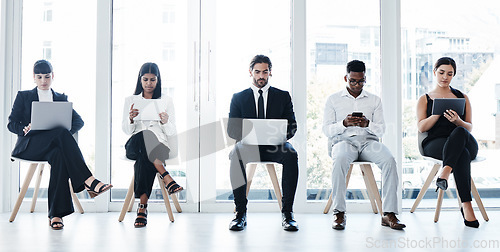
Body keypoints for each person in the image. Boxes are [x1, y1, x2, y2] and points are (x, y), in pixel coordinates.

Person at [7, 60, 112, 230]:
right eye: (39, 77)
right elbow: (11, 123)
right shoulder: (23, 96)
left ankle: (56, 214)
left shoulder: (61, 99)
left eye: (47, 76)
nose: (43, 80)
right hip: (30, 146)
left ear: (52, 76)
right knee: (61, 134)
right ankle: (88, 180)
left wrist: (60, 133)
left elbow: (78, 122)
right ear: (34, 78)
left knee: (59, 154)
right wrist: (24, 128)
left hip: (52, 147)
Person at [322, 60, 405, 230]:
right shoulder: (333, 99)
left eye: (361, 81)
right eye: (353, 80)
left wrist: (367, 124)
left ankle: (389, 213)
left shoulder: (374, 100)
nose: (357, 85)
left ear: (365, 79)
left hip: (368, 142)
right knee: (340, 159)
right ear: (346, 78)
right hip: (344, 141)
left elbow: (381, 131)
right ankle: (339, 212)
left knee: (389, 160)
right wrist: (344, 123)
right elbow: (327, 130)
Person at [227, 55, 299, 231]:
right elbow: (232, 130)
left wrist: (278, 135)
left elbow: (292, 126)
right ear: (250, 72)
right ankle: (240, 214)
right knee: (236, 152)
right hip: (248, 147)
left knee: (292, 155)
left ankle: (287, 214)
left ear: (270, 72)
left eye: (265, 72)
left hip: (275, 146)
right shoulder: (239, 97)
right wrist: (246, 134)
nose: (261, 76)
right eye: (257, 72)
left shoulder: (283, 96)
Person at [416, 57, 479, 228]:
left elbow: (469, 127)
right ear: (435, 72)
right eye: (442, 72)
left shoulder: (462, 97)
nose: (445, 77)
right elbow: (421, 127)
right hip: (436, 143)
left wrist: (458, 120)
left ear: (453, 76)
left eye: (450, 74)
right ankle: (466, 206)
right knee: (462, 155)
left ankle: (445, 171)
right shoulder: (425, 99)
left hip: (462, 140)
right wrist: (436, 114)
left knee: (459, 132)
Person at [122, 62, 182, 228]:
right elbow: (127, 130)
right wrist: (131, 119)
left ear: (158, 80)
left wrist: (165, 121)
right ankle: (165, 175)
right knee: (145, 136)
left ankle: (142, 207)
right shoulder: (131, 100)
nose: (149, 83)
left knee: (145, 156)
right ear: (140, 80)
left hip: (159, 146)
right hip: (134, 145)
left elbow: (171, 132)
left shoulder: (166, 100)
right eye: (146, 79)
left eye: (152, 80)